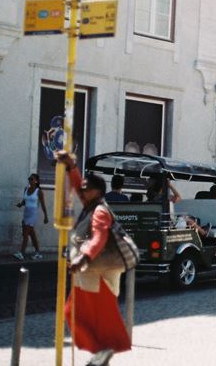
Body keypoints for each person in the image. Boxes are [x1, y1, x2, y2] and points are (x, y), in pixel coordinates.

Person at [56, 151, 131, 366]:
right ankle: (102, 354)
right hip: (96, 274)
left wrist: (84, 258)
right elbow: (80, 185)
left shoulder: (99, 212)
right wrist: (71, 167)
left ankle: (103, 352)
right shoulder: (92, 204)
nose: (82, 190)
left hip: (99, 275)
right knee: (80, 315)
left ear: (96, 192)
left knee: (77, 314)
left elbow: (99, 237)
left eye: (87, 188)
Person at [13, 173, 48, 260]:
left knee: (25, 234)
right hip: (26, 213)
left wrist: (46, 216)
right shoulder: (26, 189)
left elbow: (43, 204)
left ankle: (21, 253)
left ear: (36, 181)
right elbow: (25, 201)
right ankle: (38, 253)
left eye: (31, 179)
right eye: (29, 179)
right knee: (31, 234)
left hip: (33, 214)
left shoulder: (39, 191)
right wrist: (20, 204)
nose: (29, 180)